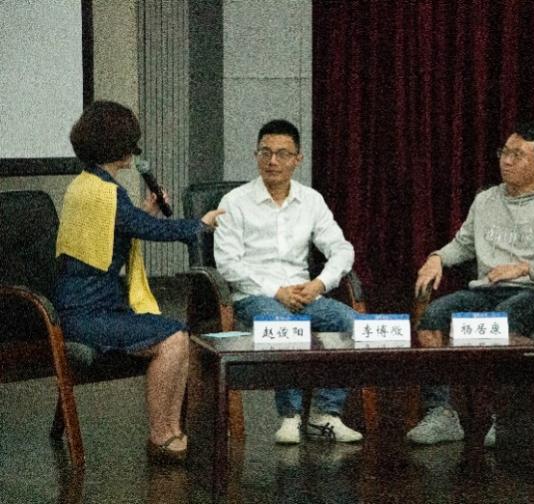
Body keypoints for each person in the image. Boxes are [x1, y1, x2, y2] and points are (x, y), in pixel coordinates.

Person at [53, 100, 224, 463]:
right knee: (173, 338)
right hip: (89, 315)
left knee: (177, 335)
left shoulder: (85, 185)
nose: (135, 148)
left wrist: (142, 213)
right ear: (118, 144)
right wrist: (200, 225)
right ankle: (162, 435)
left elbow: (114, 229)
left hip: (83, 307)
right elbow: (150, 230)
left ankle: (172, 432)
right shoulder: (106, 192)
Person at [408, 122, 534, 446]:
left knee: (501, 321)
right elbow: (463, 244)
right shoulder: (486, 200)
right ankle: (441, 413)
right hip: (486, 290)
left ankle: (505, 418)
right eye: (504, 152)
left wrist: (525, 268)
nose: (506, 161)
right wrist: (437, 257)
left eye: (517, 155)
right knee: (435, 314)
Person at [213, 119, 362, 445]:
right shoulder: (235, 202)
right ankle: (290, 416)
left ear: (298, 159)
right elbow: (228, 264)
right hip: (254, 296)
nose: (272, 161)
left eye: (282, 154)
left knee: (353, 323)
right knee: (286, 326)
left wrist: (320, 284)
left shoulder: (311, 200)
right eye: (265, 152)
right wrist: (276, 291)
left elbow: (342, 249)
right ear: (255, 155)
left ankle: (325, 415)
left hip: (305, 294)